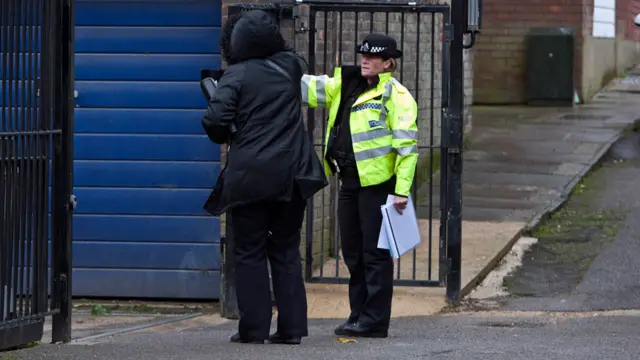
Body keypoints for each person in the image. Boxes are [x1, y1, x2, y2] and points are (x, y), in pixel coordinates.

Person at [202, 10, 327, 345]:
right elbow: (295, 55)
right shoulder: (289, 68)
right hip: (293, 175)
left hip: (251, 178)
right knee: (286, 249)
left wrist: (230, 131)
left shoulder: (236, 74)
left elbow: (214, 120)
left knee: (249, 251)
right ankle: (291, 330)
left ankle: (253, 329)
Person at [301, 33, 418, 338]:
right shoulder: (347, 84)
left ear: (388, 63)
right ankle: (358, 314)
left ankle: (375, 320)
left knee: (375, 254)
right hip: (349, 183)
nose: (365, 60)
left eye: (373, 57)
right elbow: (311, 88)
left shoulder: (397, 96)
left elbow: (408, 151)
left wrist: (401, 191)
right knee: (352, 252)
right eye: (363, 55)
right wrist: (278, 69)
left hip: (379, 187)